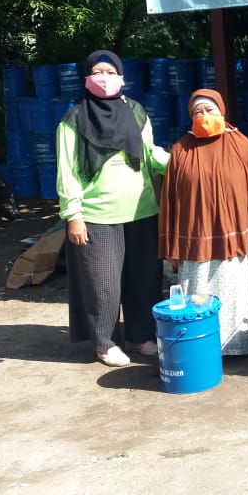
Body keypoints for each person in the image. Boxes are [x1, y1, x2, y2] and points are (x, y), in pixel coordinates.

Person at [56, 50, 169, 367]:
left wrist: (189, 158)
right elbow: (67, 172)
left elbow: (150, 155)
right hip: (97, 216)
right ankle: (104, 343)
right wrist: (73, 215)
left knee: (144, 279)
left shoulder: (136, 111)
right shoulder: (73, 120)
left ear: (121, 77)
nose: (103, 78)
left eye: (110, 71)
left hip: (142, 211)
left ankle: (140, 336)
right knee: (103, 283)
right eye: (97, 72)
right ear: (86, 79)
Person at [159, 89, 248, 356]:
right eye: (198, 112)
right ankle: (203, 346)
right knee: (199, 291)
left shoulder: (241, 144)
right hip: (196, 240)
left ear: (221, 112)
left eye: (209, 110)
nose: (204, 116)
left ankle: (242, 344)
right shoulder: (181, 150)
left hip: (236, 242)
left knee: (237, 291)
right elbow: (170, 200)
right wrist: (172, 244)